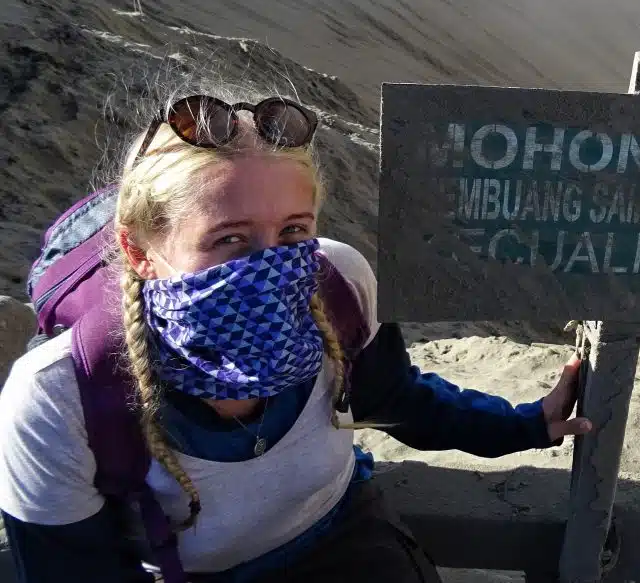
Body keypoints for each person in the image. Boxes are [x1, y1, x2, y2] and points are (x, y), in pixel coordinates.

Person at [0, 92, 592, 582]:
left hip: (348, 543)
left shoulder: (338, 283)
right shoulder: (61, 395)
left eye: (293, 230)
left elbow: (395, 401)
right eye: (228, 239)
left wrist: (524, 424)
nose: (269, 266)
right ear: (140, 252)